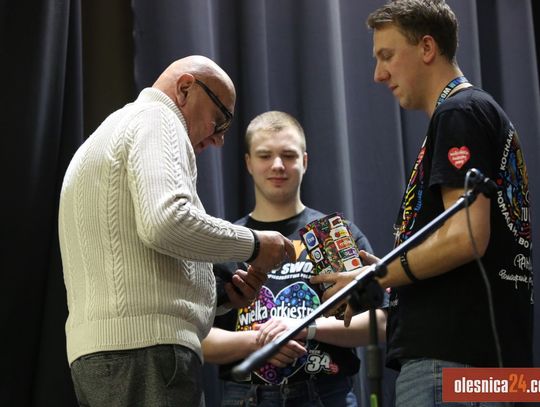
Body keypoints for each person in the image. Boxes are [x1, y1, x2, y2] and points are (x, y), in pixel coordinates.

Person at [311, 1, 533, 406]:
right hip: (499, 367)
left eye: (387, 55)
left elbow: (467, 237)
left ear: (427, 47)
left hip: (452, 364)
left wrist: (376, 276)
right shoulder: (477, 111)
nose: (379, 74)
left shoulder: (459, 112)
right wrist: (386, 270)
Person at [58, 55, 296, 407]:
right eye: (220, 120)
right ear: (185, 88)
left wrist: (220, 299)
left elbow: (134, 253)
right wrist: (256, 244)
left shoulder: (108, 133)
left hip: (106, 358)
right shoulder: (158, 118)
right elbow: (166, 221)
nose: (218, 140)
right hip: (148, 356)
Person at [202, 111, 387, 406]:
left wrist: (306, 327)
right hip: (245, 397)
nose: (277, 165)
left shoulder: (335, 236)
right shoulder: (229, 242)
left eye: (288, 155)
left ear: (305, 161)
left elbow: (381, 322)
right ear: (248, 162)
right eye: (265, 155)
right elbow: (198, 338)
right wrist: (262, 342)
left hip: (326, 394)